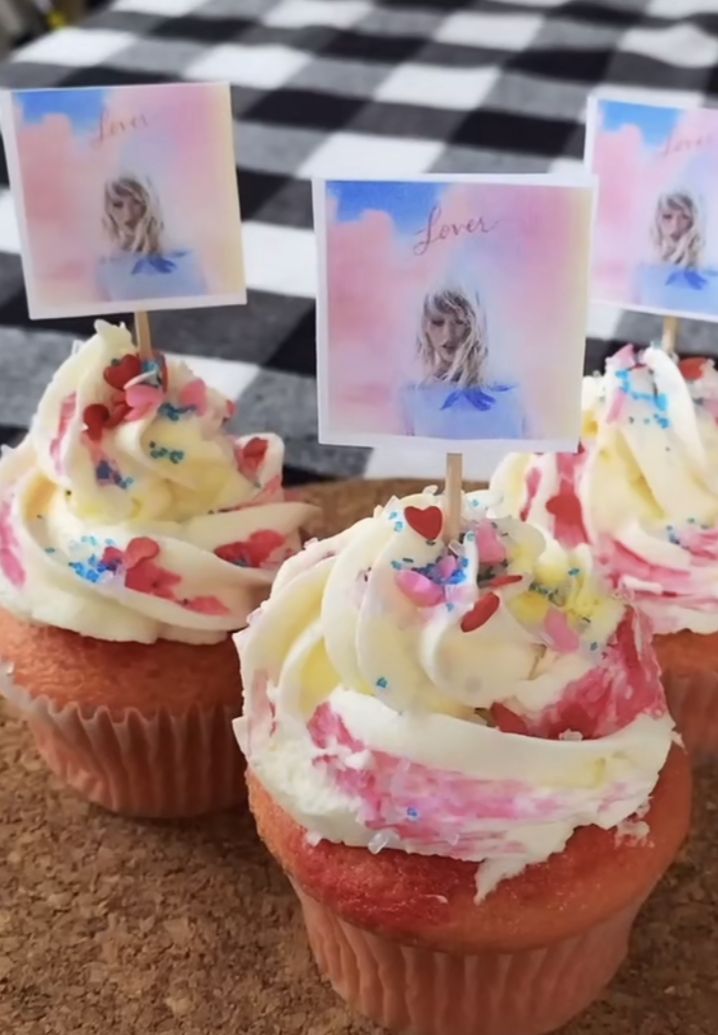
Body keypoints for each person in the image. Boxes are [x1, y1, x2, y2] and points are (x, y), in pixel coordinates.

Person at [401, 285, 524, 439]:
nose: (448, 334)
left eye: (459, 322)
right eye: (438, 322)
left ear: (474, 326)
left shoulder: (510, 395)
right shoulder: (412, 398)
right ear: (425, 327)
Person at [97, 175, 207, 302]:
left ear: (149, 204)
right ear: (108, 210)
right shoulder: (106, 267)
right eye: (117, 205)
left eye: (137, 202)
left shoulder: (187, 257)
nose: (128, 216)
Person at [633, 190, 718, 313]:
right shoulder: (643, 272)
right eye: (667, 216)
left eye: (684, 217)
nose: (675, 226)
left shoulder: (713, 275)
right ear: (657, 221)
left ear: (695, 222)